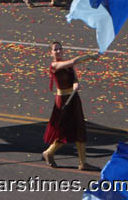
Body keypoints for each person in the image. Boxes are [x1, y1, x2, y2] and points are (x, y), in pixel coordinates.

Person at [42, 42, 99, 170]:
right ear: (51, 53)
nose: (57, 52)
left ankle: (83, 162)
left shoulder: (67, 64)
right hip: (62, 100)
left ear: (62, 51)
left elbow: (74, 78)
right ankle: (49, 152)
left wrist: (75, 85)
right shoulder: (54, 65)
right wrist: (90, 56)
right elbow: (73, 62)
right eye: (55, 50)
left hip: (73, 98)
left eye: (59, 49)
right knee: (64, 129)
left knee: (79, 126)